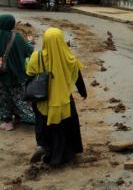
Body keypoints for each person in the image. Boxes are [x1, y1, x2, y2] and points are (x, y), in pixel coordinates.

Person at [26, 28, 87, 166]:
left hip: (43, 99)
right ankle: (68, 155)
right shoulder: (69, 56)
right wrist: (83, 92)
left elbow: (29, 76)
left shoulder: (37, 56)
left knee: (44, 125)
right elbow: (78, 77)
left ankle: (46, 149)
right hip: (64, 100)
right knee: (67, 127)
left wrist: (30, 97)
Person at [0, 14, 35, 131]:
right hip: (17, 75)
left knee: (4, 98)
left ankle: (7, 122)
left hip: (1, 75)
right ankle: (33, 118)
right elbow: (29, 52)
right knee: (20, 99)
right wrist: (30, 42)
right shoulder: (17, 37)